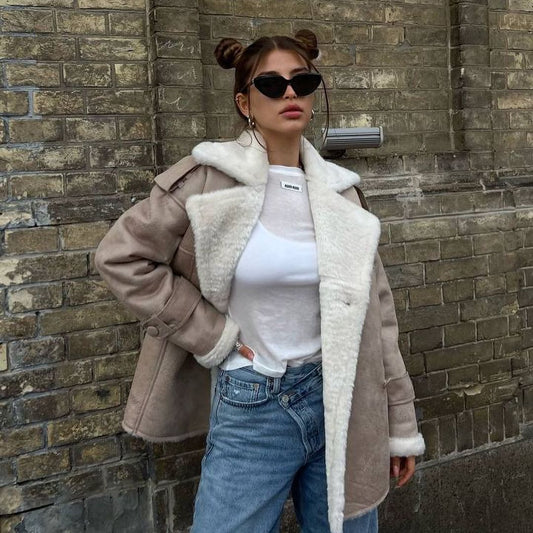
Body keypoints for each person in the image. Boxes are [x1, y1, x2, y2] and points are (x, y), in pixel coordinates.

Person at [94, 30, 425, 533]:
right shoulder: (207, 180)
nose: (290, 93)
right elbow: (122, 257)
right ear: (245, 102)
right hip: (253, 403)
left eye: (302, 82)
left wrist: (399, 424)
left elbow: (377, 316)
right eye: (271, 84)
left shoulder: (342, 195)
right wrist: (215, 337)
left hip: (342, 401)